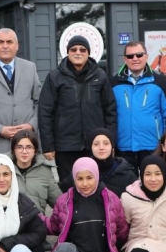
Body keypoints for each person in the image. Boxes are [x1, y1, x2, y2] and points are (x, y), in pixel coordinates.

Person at [38, 35, 118, 183]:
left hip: (94, 145)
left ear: (88, 53)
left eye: (82, 49)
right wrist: (48, 145)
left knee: (95, 185)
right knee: (69, 187)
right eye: (73, 49)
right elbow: (45, 112)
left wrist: (109, 142)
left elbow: (110, 111)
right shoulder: (55, 77)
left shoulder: (100, 76)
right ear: (67, 52)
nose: (78, 52)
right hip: (65, 146)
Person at [0, 28, 42, 157]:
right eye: (0, 42)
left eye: (9, 42)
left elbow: (40, 102)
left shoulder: (30, 67)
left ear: (17, 46)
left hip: (27, 140)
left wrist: (32, 125)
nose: (5, 46)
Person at [112, 40, 166, 169]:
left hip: (152, 146)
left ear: (146, 56)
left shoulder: (159, 80)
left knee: (152, 185)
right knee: (126, 186)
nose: (135, 59)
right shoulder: (113, 81)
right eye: (130, 56)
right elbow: (109, 114)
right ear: (125, 59)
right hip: (123, 147)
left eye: (139, 55)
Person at [61, 127, 136, 198]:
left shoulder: (127, 173)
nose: (101, 148)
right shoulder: (81, 170)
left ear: (112, 147)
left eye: (106, 143)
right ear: (91, 147)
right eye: (96, 144)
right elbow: (64, 194)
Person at [10, 129, 61, 215]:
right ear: (14, 150)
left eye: (29, 147)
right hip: (10, 224)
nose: (24, 151)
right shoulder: (4, 169)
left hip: (37, 223)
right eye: (19, 147)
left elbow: (60, 204)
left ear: (35, 150)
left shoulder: (45, 172)